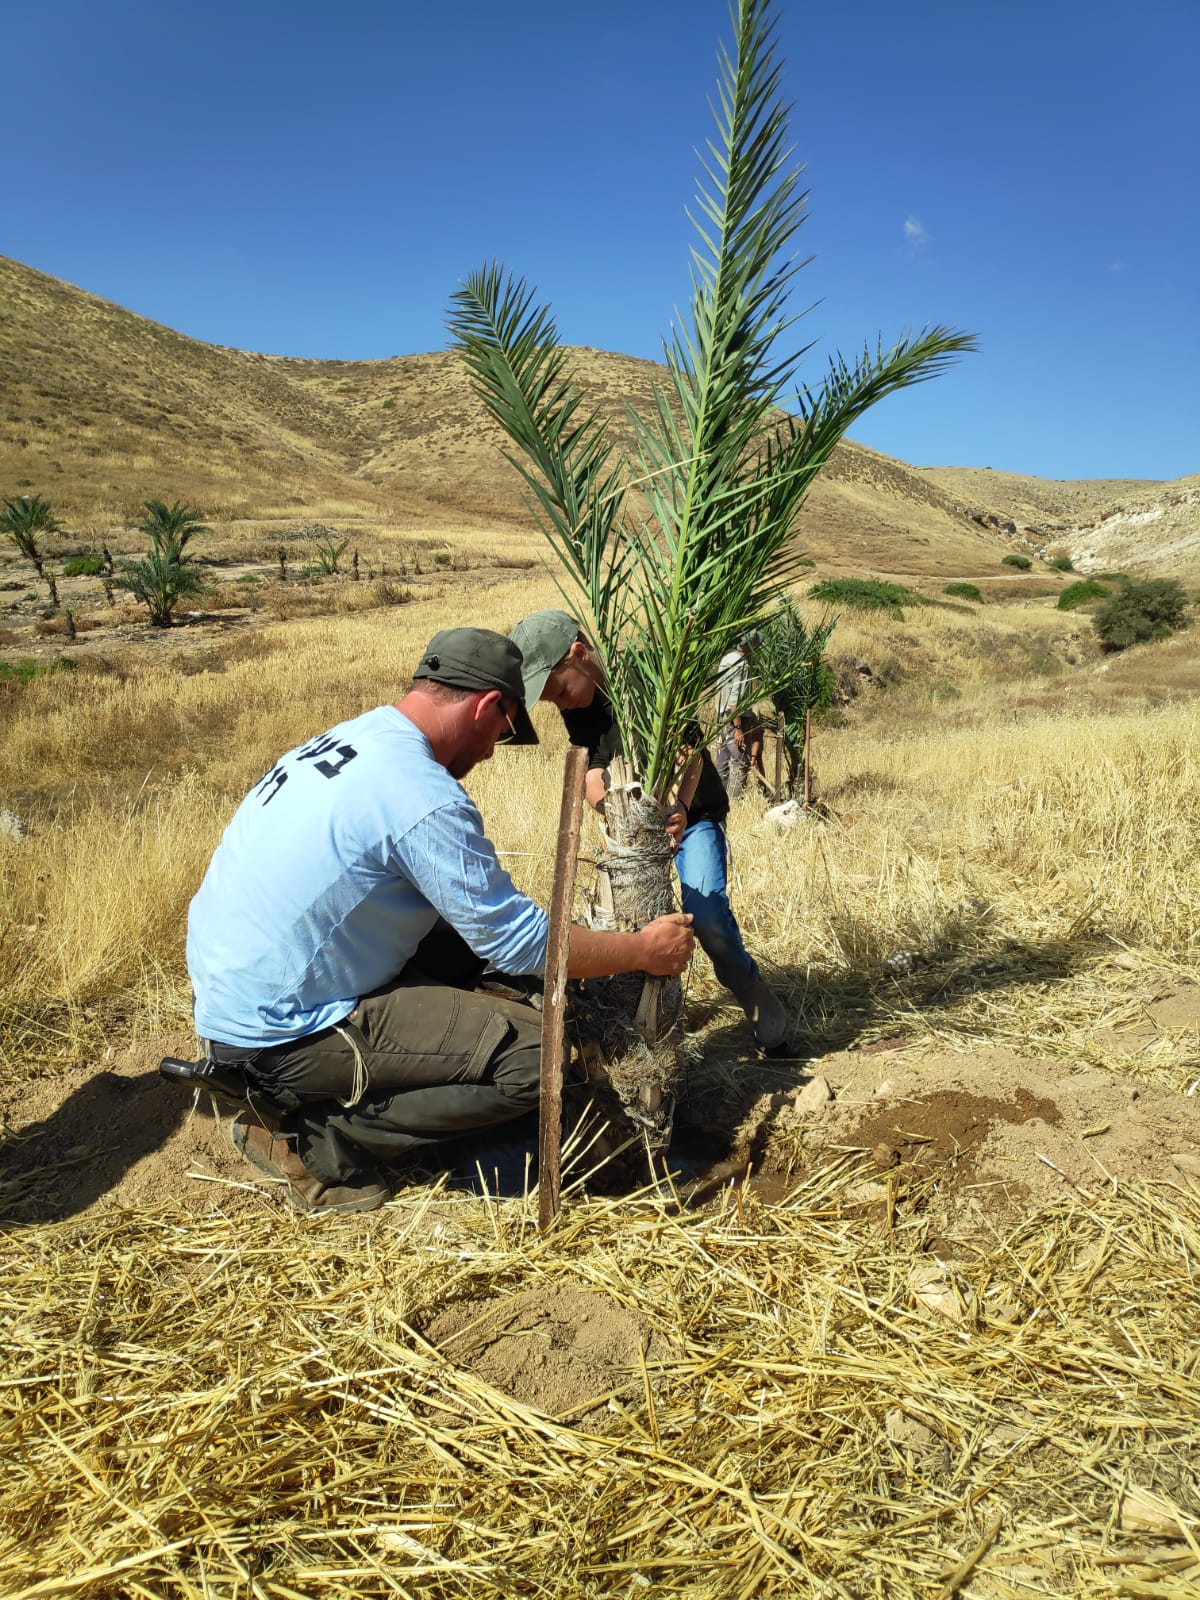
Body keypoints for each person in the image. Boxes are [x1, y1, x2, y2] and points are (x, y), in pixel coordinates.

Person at [185, 627, 694, 1215]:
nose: (490, 753)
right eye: (501, 733)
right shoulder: (419, 793)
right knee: (538, 1055)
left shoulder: (355, 738)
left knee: (481, 966)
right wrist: (641, 950)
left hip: (233, 1006)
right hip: (281, 1036)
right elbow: (520, 942)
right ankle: (318, 1140)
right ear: (485, 706)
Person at [509, 610, 788, 1053]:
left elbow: (690, 755)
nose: (560, 704)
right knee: (629, 926)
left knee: (707, 916)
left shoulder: (645, 679)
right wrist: (617, 812)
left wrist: (679, 808)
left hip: (693, 816)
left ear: (578, 654)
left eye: (558, 691)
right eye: (551, 701)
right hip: (637, 835)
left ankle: (751, 991)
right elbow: (591, 772)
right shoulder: (578, 707)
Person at [714, 633, 765, 799]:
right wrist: (738, 728)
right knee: (740, 764)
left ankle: (719, 801)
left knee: (722, 764)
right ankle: (733, 803)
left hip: (721, 717)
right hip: (736, 718)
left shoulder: (727, 659)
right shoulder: (742, 664)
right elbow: (734, 699)